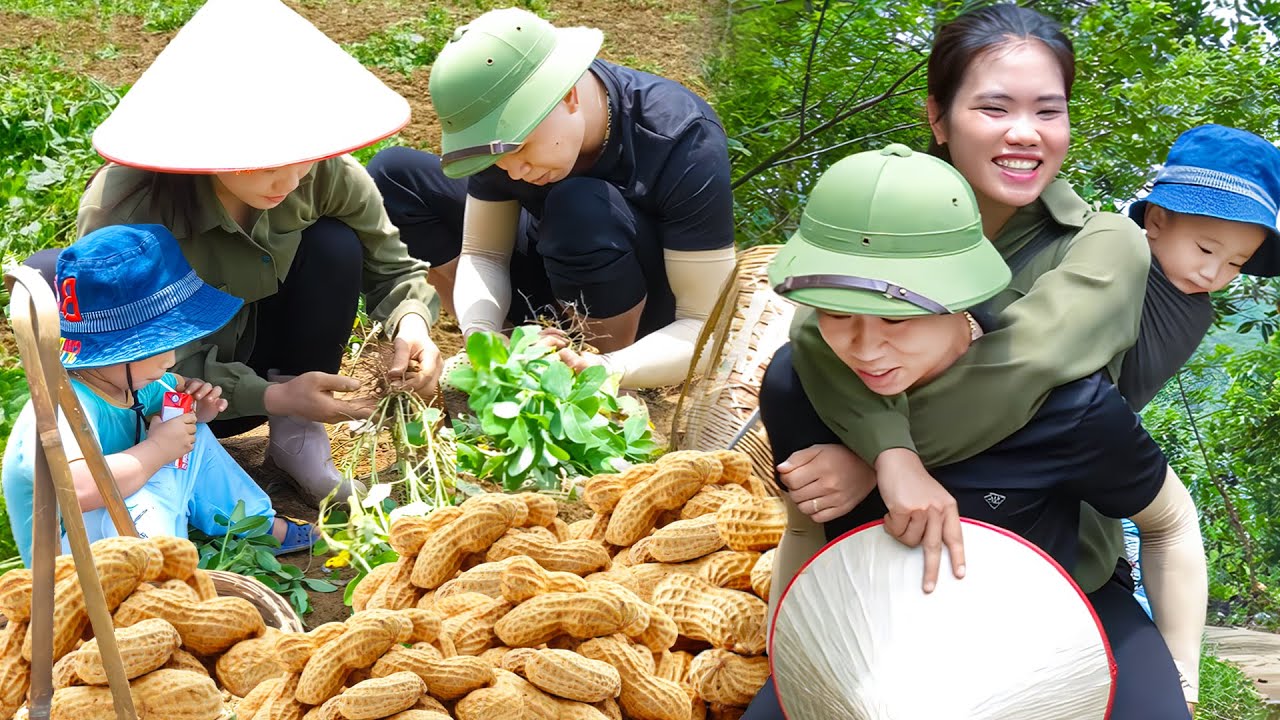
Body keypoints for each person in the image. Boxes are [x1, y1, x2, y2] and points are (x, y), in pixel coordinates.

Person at [748, 145, 1205, 720]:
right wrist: (789, 655)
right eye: (837, 316)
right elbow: (805, 532)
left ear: (961, 296)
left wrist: (1183, 675)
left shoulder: (1065, 408)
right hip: (870, 623)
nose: (865, 348)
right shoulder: (802, 386)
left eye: (896, 319)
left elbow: (1169, 523)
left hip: (1058, 616)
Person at [25, 0, 447, 508]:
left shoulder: (324, 174)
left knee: (333, 243)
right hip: (180, 399)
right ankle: (141, 461)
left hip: (283, 371)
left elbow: (394, 268)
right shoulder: (131, 205)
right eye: (264, 162)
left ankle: (297, 440)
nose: (289, 180)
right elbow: (132, 354)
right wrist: (273, 397)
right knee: (54, 277)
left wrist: (412, 325)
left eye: (304, 156)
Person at [367, 7, 736, 389]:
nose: (511, 170)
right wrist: (481, 331)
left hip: (639, 310)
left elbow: (705, 323)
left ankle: (586, 373)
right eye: (496, 157)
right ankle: (508, 355)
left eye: (521, 147)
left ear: (570, 95)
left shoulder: (682, 138)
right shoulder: (504, 139)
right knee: (395, 175)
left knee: (580, 206)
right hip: (551, 261)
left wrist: (609, 368)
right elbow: (485, 253)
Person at [3, 224, 317, 566]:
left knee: (190, 432)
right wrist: (157, 449)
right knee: (150, 482)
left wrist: (199, 411)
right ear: (113, 350)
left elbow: (179, 407)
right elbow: (78, 489)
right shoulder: (64, 405)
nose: (170, 360)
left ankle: (256, 524)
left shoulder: (134, 380)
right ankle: (162, 582)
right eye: (156, 347)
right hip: (75, 557)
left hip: (122, 515)